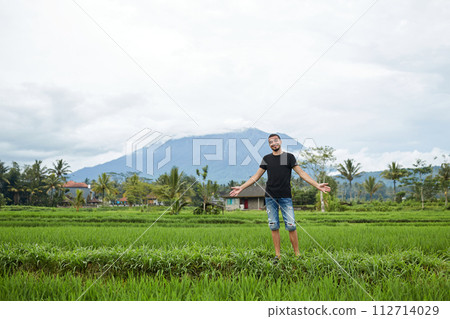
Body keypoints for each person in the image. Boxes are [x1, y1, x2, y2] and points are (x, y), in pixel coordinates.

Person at [229, 133, 330, 264]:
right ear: (269, 145)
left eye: (275, 141)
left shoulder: (289, 157)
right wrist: (241, 187)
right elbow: (256, 176)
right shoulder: (267, 159)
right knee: (273, 226)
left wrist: (317, 185)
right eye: (270, 142)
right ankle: (278, 255)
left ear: (280, 142)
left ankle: (297, 255)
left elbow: (301, 173)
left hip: (285, 197)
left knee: (291, 226)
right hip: (270, 197)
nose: (273, 143)